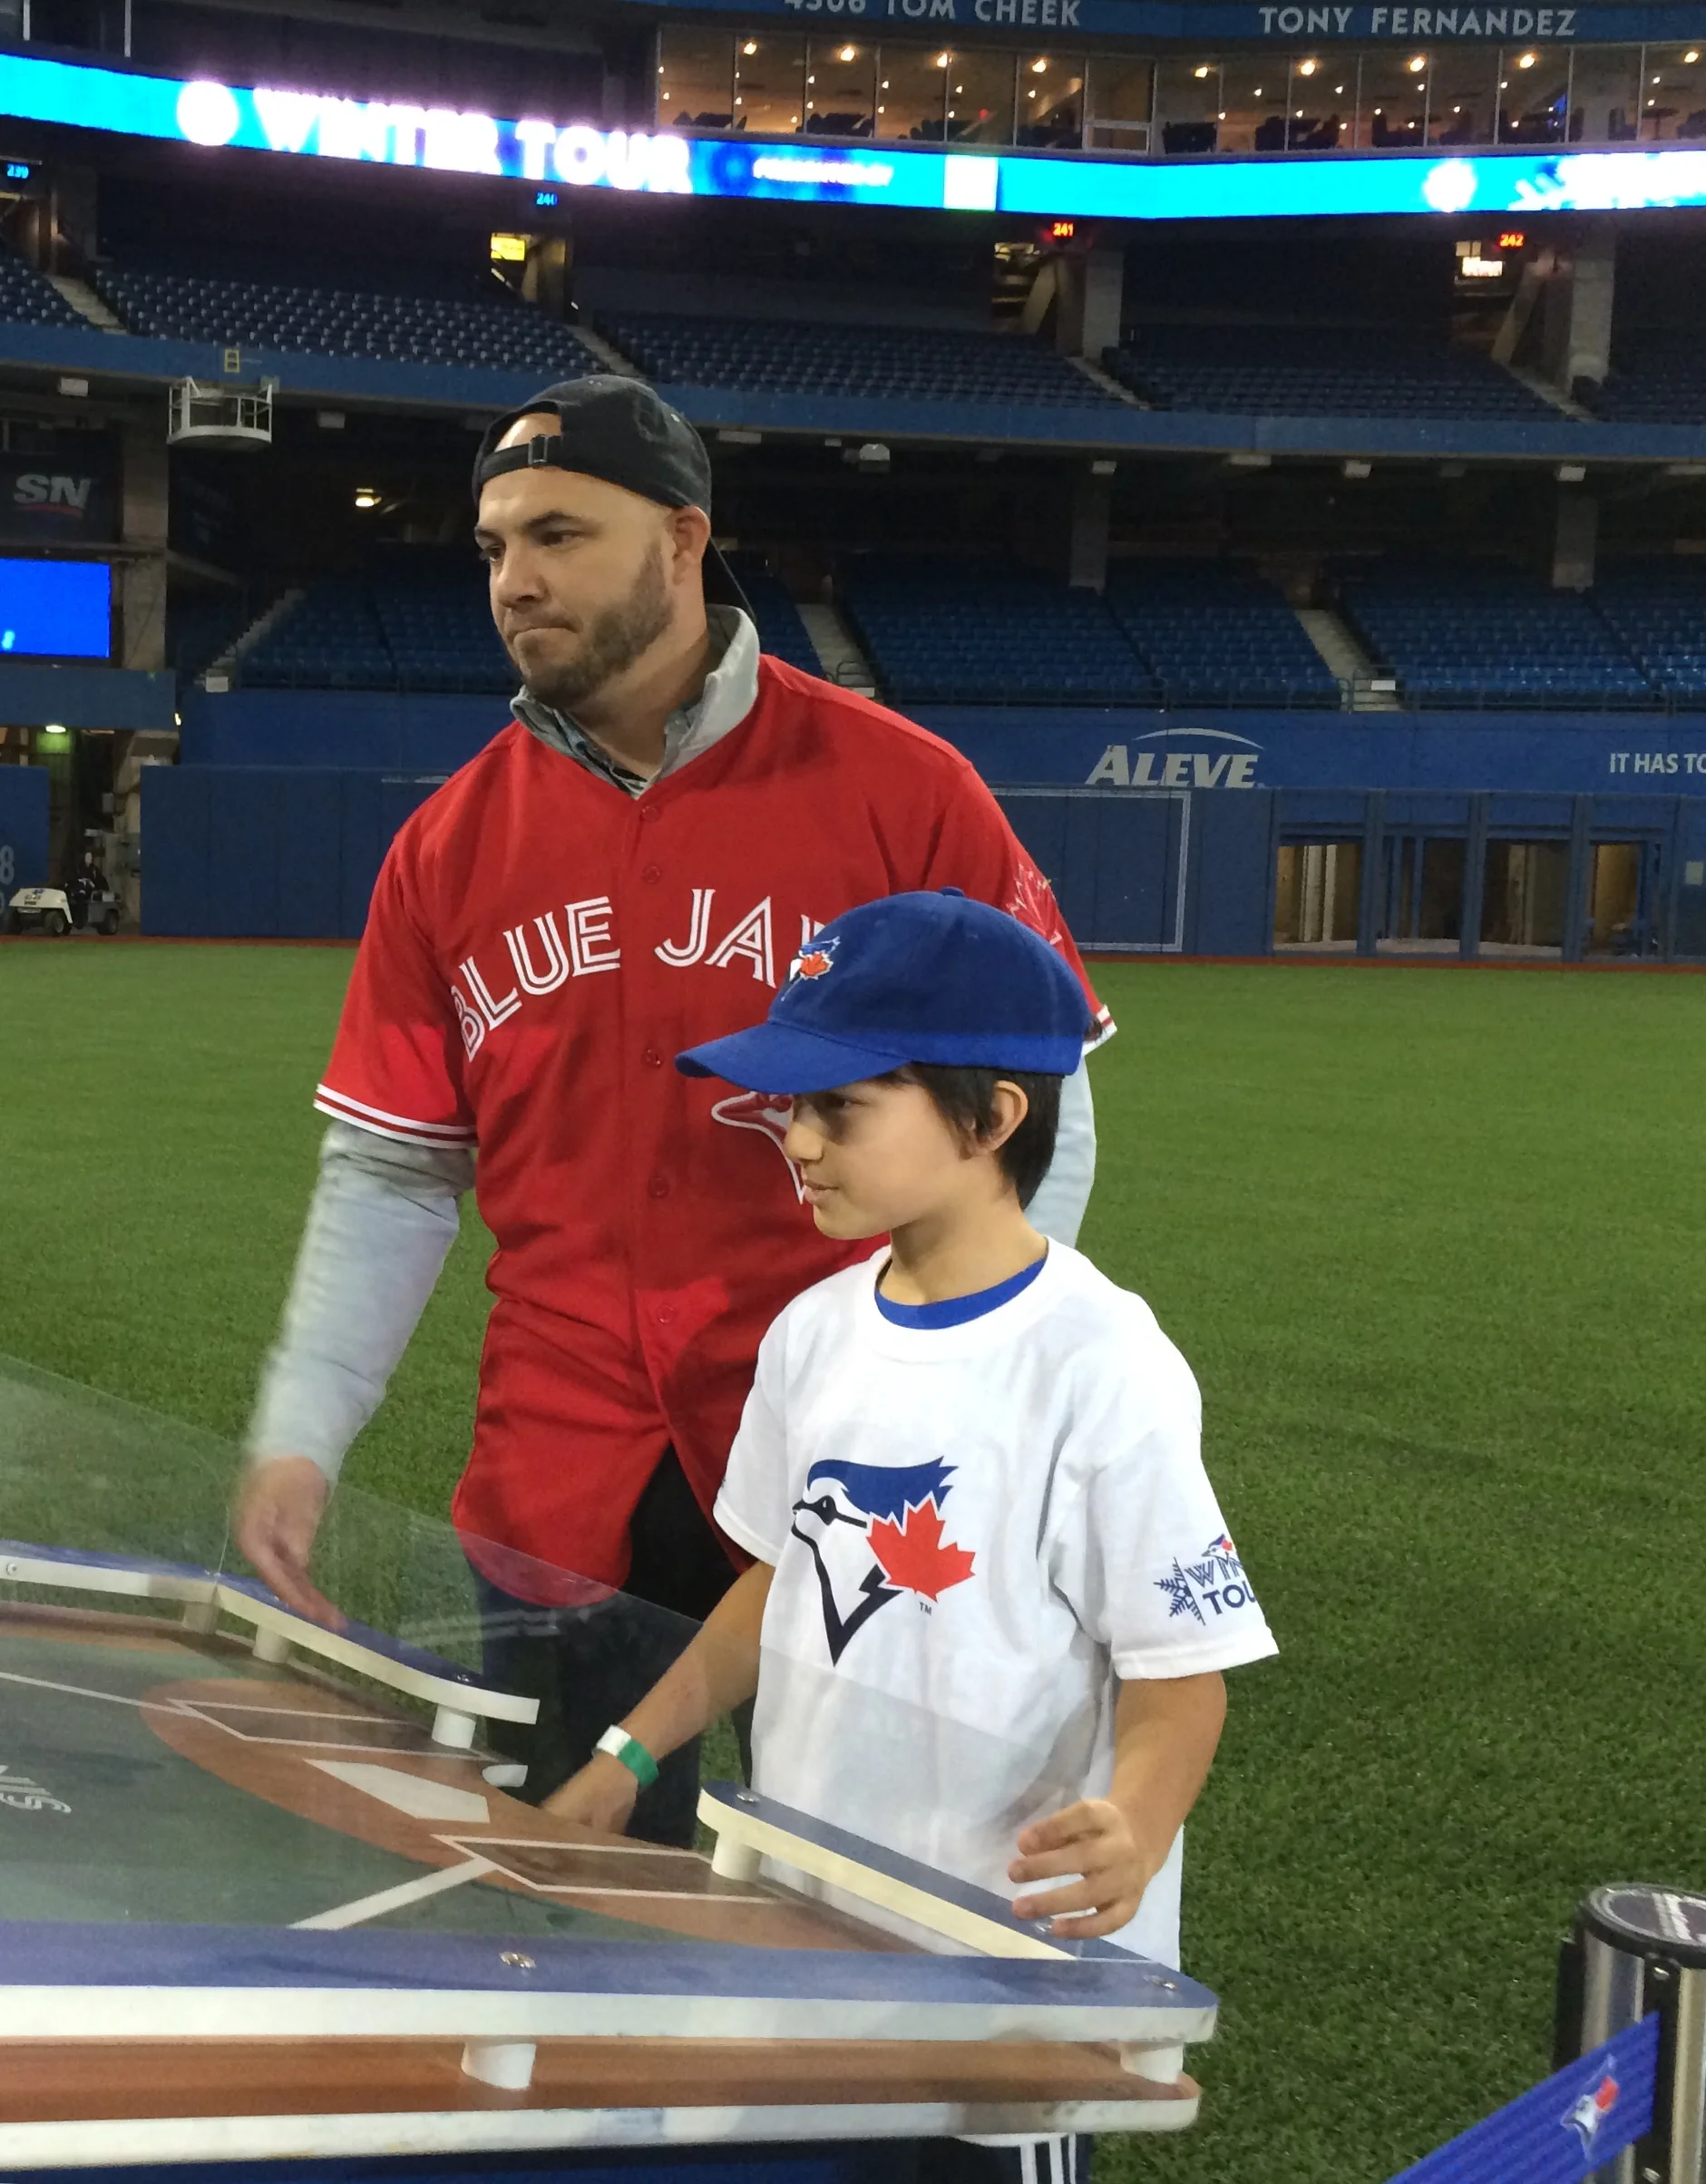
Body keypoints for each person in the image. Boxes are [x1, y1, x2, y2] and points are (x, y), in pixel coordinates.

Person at [234, 375, 1111, 1844]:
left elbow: (1043, 1117)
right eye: (496, 547)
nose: (518, 580)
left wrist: (957, 1381)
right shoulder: (446, 848)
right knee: (566, 1887)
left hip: (848, 1436)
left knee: (875, 1881)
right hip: (559, 1455)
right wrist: (300, 1431)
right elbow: (390, 1173)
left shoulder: (905, 792)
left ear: (684, 540)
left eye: (562, 535)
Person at [546, 889, 1278, 2184]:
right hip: (801, 1934)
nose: (797, 1144)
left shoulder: (1102, 1364)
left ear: (992, 1117)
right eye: (790, 1106)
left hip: (997, 1986)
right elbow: (776, 1582)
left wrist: (1137, 1825)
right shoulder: (813, 1333)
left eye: (840, 1108)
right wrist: (626, 1752)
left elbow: (1182, 1671)